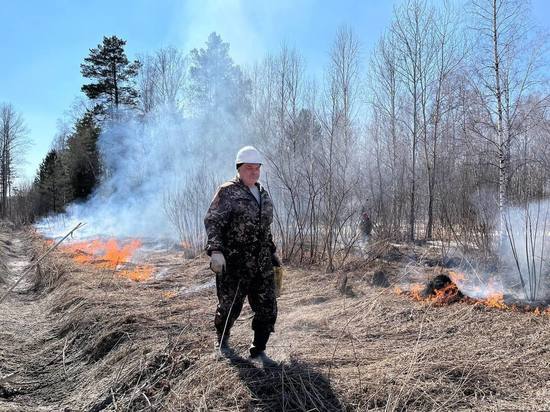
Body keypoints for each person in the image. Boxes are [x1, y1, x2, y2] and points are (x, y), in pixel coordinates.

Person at [204, 146, 281, 363]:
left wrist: (272, 252)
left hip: (262, 263)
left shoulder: (263, 194)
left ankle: (259, 348)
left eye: (257, 168)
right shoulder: (227, 191)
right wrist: (216, 250)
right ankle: (222, 340)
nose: (254, 172)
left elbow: (264, 228)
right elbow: (213, 221)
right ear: (239, 168)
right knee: (229, 306)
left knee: (268, 306)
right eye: (249, 168)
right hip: (235, 264)